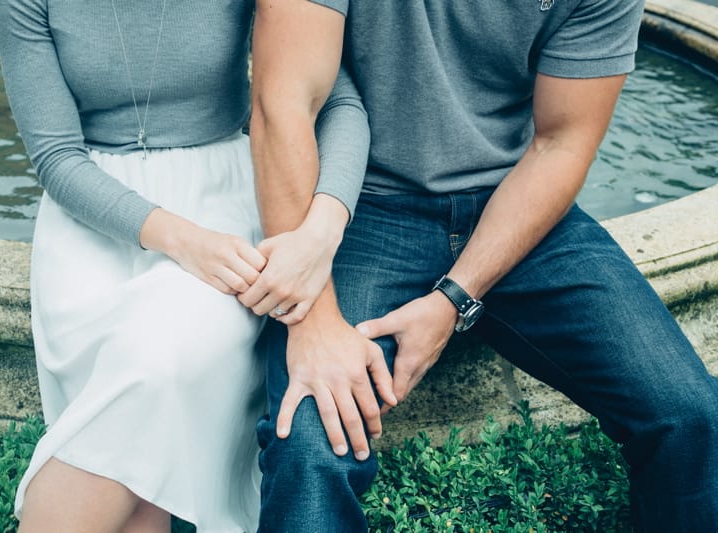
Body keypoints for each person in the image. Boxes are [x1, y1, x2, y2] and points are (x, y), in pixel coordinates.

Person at [249, 1, 718, 532]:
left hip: (518, 206)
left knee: (689, 414)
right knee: (309, 445)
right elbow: (283, 101)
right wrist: (312, 320)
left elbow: (561, 144)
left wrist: (454, 298)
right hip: (361, 207)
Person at [0, 1, 370, 531]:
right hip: (94, 219)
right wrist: (184, 241)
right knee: (139, 486)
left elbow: (337, 101)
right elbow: (55, 156)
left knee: (155, 357)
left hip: (223, 201)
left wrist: (325, 224)